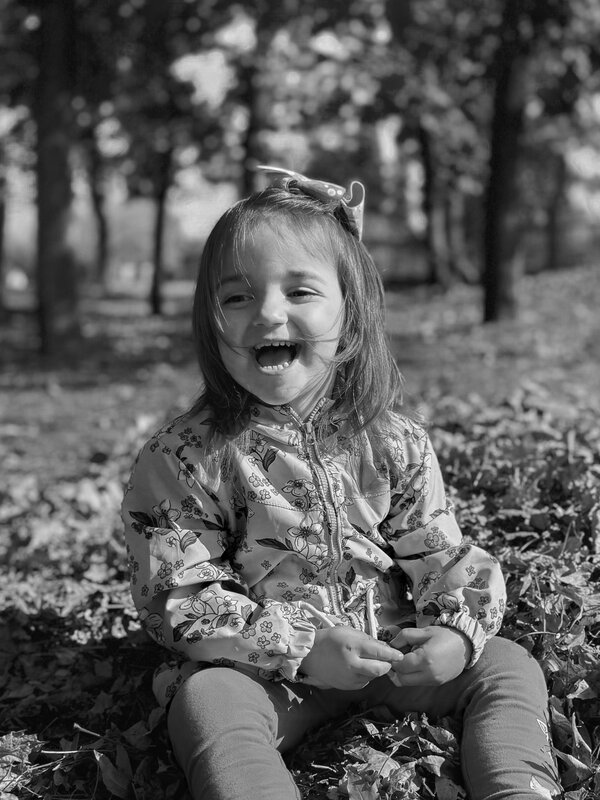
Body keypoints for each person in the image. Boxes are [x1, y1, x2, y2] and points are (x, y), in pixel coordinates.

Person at [122, 166, 562, 800]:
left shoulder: (392, 442)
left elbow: (439, 550)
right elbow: (180, 595)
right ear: (210, 322)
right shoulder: (186, 455)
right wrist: (300, 647)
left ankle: (514, 787)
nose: (268, 312)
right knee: (208, 700)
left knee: (506, 664)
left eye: (300, 291)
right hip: (270, 675)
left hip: (393, 657)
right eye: (237, 298)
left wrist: (453, 633)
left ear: (350, 314)